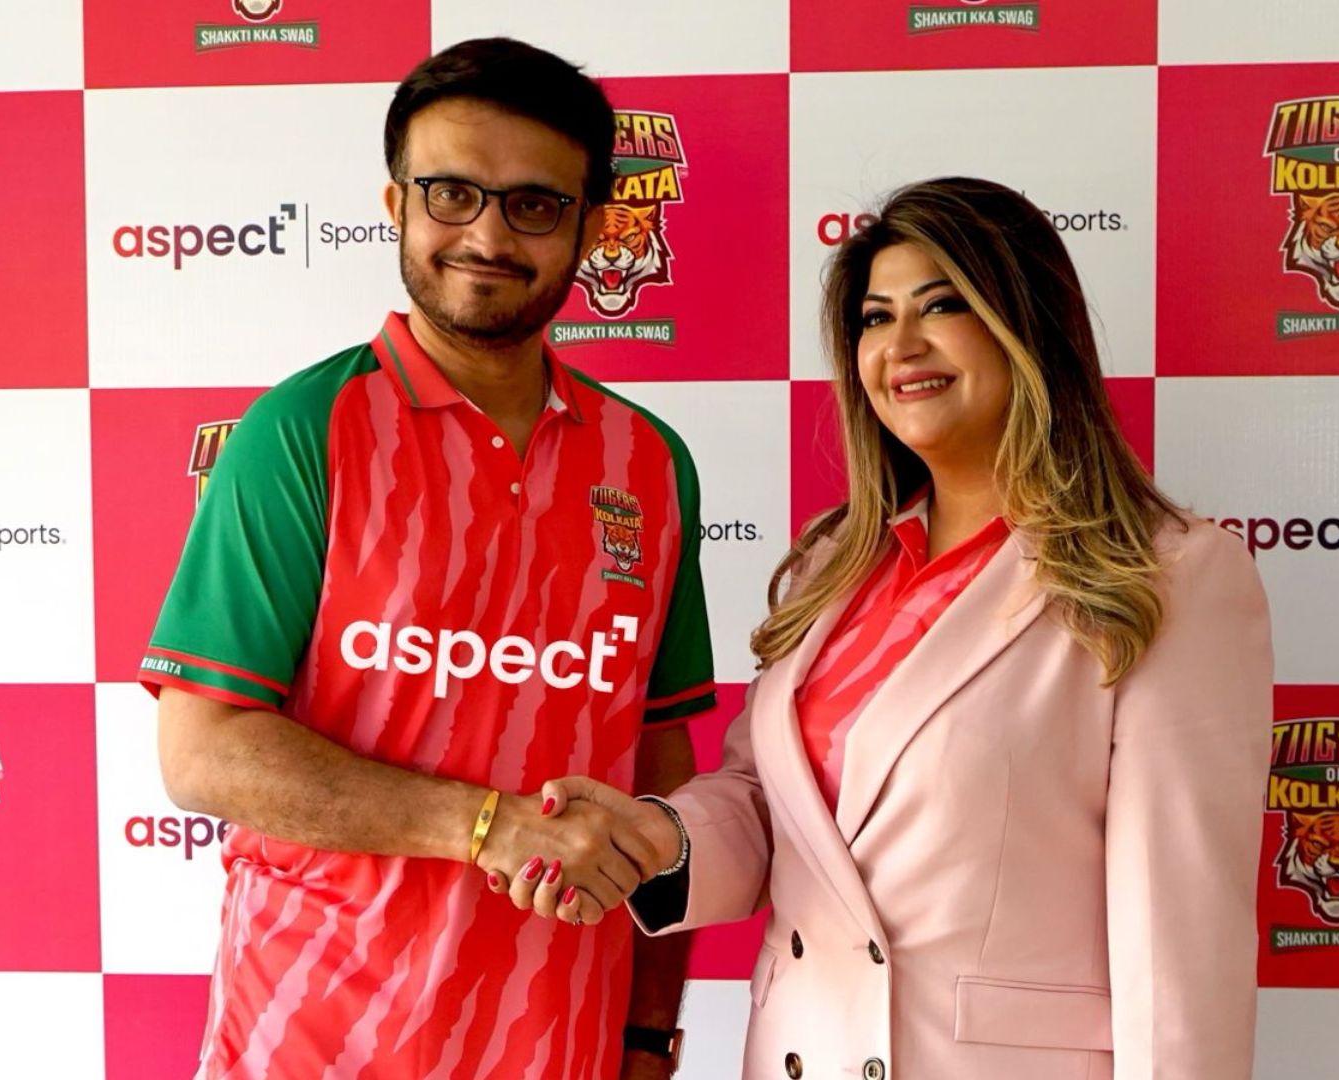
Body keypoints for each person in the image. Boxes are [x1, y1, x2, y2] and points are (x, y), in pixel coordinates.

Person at [515, 177, 1274, 1080]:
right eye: (876, 318)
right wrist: (654, 838)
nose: (901, 345)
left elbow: (1179, 940)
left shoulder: (1170, 574)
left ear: (1028, 325)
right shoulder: (833, 563)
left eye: (942, 305)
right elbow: (766, 806)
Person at [140, 37, 713, 1080]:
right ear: (396, 204)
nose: (487, 236)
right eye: (451, 193)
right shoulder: (301, 431)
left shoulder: (652, 464)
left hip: (561, 1041)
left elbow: (661, 780)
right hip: (311, 1039)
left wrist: (646, 1033)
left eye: (534, 204)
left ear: (592, 227)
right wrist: (484, 826)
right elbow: (203, 752)